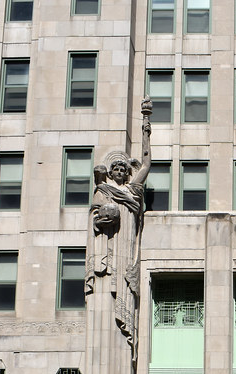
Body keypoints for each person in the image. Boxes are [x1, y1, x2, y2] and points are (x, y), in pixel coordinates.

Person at [89, 97, 153, 360]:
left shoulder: (133, 190)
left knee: (127, 284)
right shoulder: (104, 191)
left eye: (122, 169)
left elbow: (147, 164)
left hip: (128, 244)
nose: (117, 171)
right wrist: (102, 218)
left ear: (127, 173)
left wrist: (145, 127)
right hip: (112, 244)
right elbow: (95, 216)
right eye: (114, 168)